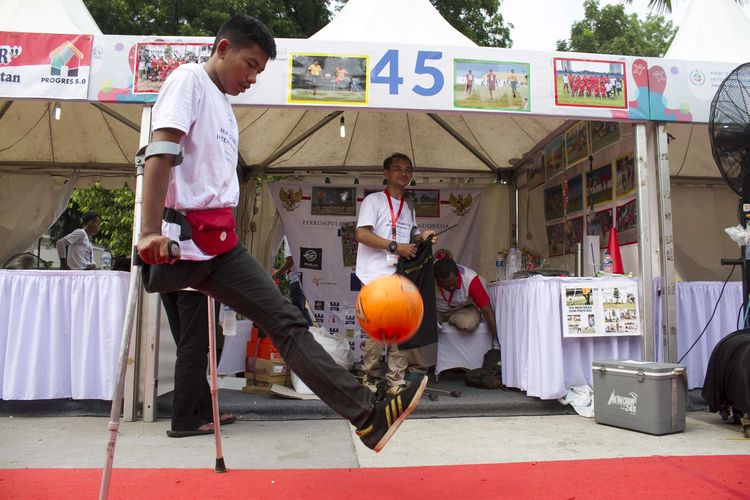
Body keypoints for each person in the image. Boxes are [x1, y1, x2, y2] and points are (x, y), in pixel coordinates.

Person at [135, 14, 426, 452]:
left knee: (287, 323)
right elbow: (160, 151)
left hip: (219, 243)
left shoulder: (224, 106)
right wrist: (148, 231)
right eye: (250, 65)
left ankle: (368, 418)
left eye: (260, 71)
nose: (253, 77)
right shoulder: (188, 80)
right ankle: (366, 414)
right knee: (257, 329)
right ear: (222, 49)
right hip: (184, 242)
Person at [355, 153, 437, 395]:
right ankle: (369, 378)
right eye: (398, 168)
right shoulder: (374, 201)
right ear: (386, 173)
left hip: (400, 275)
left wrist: (423, 237)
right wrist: (394, 246)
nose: (403, 173)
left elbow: (411, 235)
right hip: (374, 276)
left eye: (407, 169)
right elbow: (361, 234)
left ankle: (395, 381)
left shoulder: (408, 206)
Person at [161, 290, 237, 437]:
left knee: (188, 345)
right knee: (193, 347)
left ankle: (203, 408)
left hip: (168, 274)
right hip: (195, 276)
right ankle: (184, 418)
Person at [433, 257, 498, 342]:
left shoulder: (470, 280)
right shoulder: (430, 278)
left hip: (462, 310)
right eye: (446, 285)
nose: (451, 287)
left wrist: (496, 342)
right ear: (438, 280)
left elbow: (487, 310)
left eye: (453, 283)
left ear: (458, 274)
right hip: (437, 310)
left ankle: (450, 320)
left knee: (468, 323)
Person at [273, 235, 313, 326]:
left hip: (296, 279)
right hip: (302, 279)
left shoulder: (289, 236)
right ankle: (310, 334)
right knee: (300, 310)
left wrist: (276, 275)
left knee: (298, 311)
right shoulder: (298, 234)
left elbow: (290, 261)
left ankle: (310, 336)